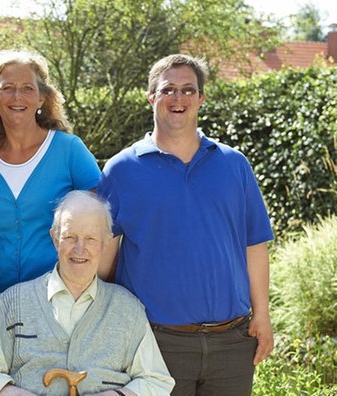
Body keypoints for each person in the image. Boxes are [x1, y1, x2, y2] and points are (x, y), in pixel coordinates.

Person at [97, 54, 274, 396]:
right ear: (152, 97)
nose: (178, 99)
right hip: (155, 344)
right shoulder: (121, 170)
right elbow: (104, 255)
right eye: (168, 90)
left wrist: (262, 314)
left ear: (201, 98)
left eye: (188, 90)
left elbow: (255, 245)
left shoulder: (234, 165)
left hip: (231, 343)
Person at [0, 190, 174, 395]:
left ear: (106, 242)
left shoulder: (128, 309)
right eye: (70, 237)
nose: (79, 248)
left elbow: (156, 382)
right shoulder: (13, 304)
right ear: (55, 239)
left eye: (91, 238)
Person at [0, 49, 101, 344]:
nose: (18, 97)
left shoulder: (68, 150)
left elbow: (103, 219)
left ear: (42, 98)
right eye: (8, 88)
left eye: (28, 88)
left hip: (60, 302)